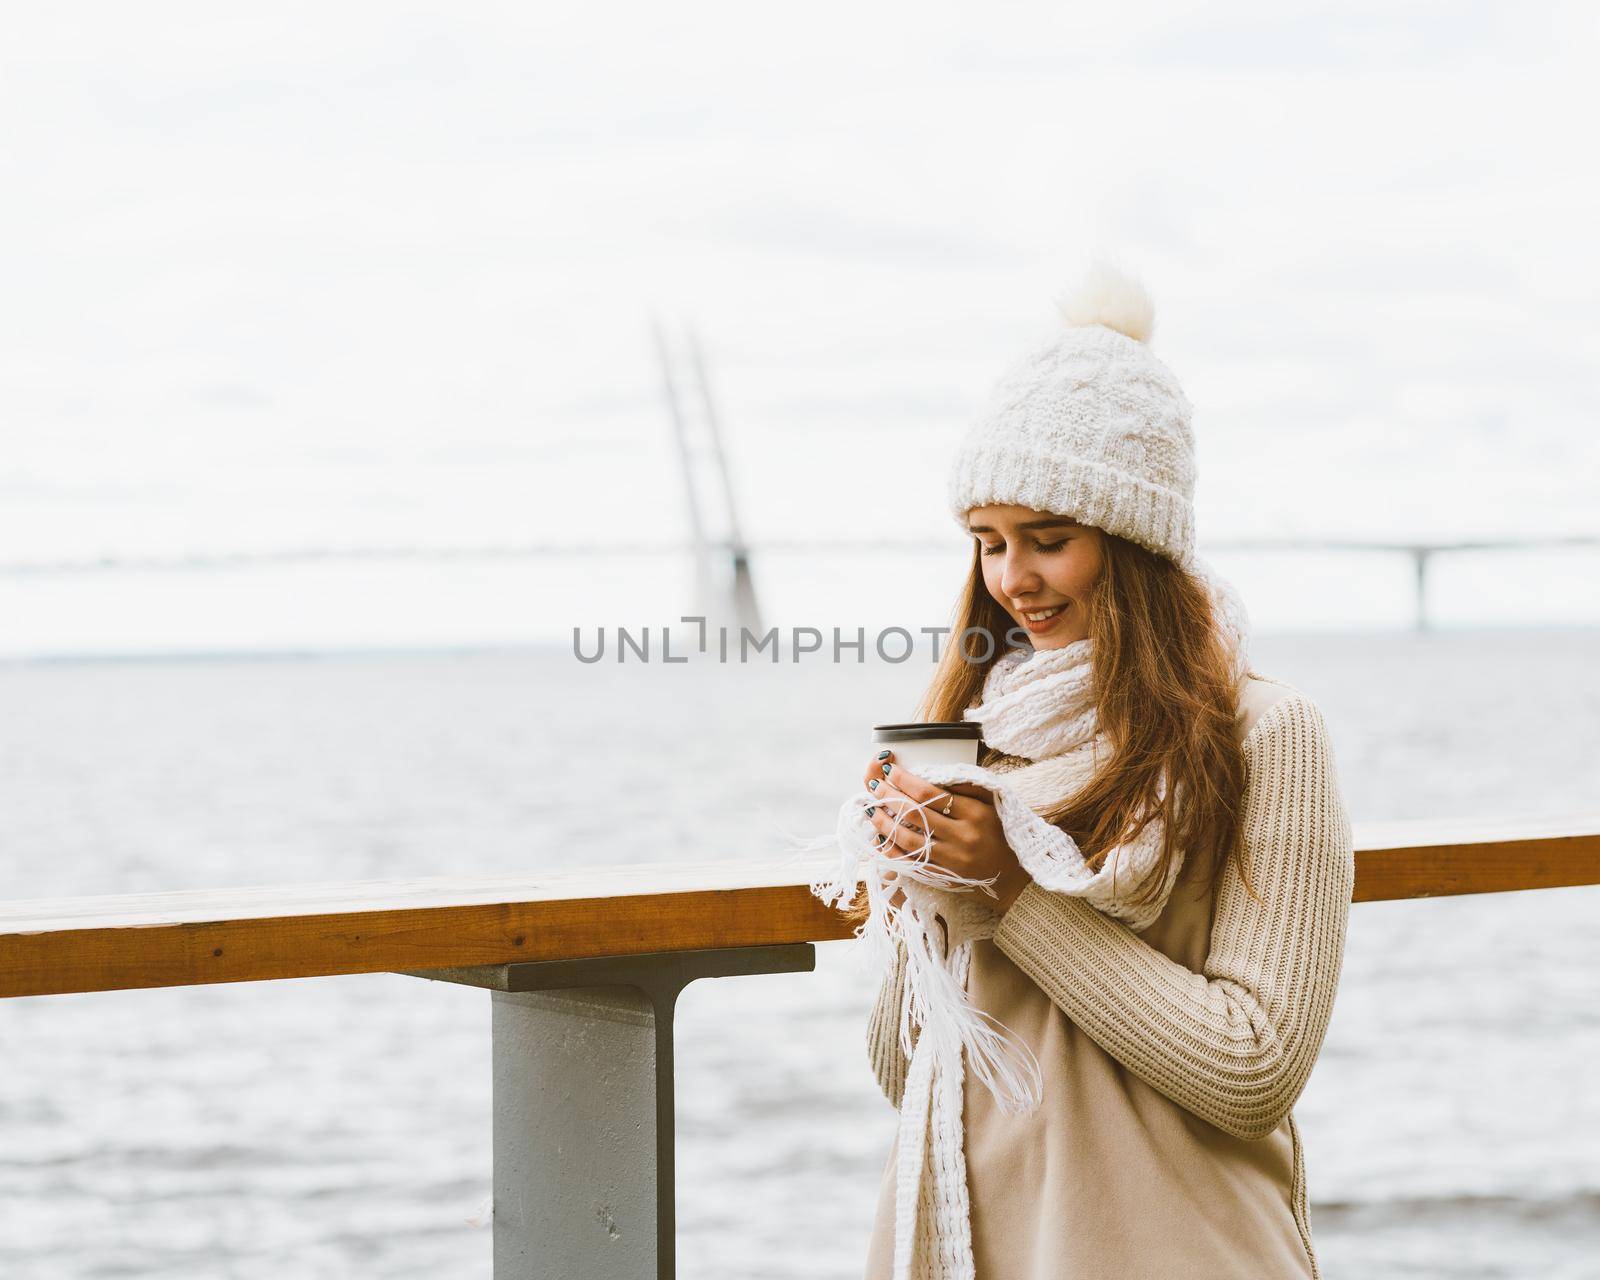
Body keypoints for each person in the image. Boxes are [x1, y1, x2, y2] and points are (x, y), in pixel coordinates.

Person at [851, 263, 1355, 1279]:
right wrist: (921, 885)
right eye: (988, 543)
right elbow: (906, 1070)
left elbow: (1252, 1068)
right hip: (984, 1244)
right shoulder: (980, 738)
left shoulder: (1268, 733)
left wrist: (1013, 893)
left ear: (1133, 546)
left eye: (1049, 539)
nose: (1012, 578)